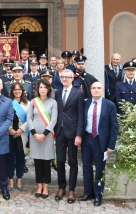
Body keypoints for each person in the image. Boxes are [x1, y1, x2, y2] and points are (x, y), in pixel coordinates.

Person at [78, 82, 118, 207]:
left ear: (103, 90)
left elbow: (114, 127)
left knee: (100, 169)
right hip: (87, 139)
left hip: (101, 141)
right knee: (86, 167)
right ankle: (88, 192)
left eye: (98, 88)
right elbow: (81, 121)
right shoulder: (86, 103)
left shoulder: (109, 105)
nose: (96, 90)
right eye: (94, 88)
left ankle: (98, 194)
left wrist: (111, 145)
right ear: (90, 90)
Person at [54, 69, 85, 204]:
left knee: (72, 161)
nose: (65, 79)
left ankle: (71, 189)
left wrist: (79, 135)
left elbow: (80, 116)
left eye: (67, 77)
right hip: (59, 132)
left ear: (72, 79)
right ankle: (62, 187)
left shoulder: (78, 94)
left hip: (72, 133)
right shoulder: (57, 93)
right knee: (60, 161)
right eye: (62, 77)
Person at [27, 79, 57, 199]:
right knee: (37, 162)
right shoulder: (33, 102)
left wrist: (44, 134)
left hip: (47, 136)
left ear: (49, 89)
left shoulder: (53, 102)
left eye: (45, 87)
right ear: (37, 89)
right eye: (41, 87)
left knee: (46, 163)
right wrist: (34, 133)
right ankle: (39, 185)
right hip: (34, 137)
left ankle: (46, 186)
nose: (43, 89)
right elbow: (29, 118)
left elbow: (54, 120)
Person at [7, 82, 29, 192]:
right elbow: (4, 118)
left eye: (19, 89)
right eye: (15, 90)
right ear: (12, 91)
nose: (17, 91)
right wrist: (9, 129)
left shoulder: (28, 104)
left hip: (22, 134)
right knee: (10, 158)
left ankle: (19, 179)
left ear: (22, 91)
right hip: (10, 134)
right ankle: (10, 179)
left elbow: (30, 119)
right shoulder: (8, 103)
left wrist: (21, 130)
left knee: (21, 158)